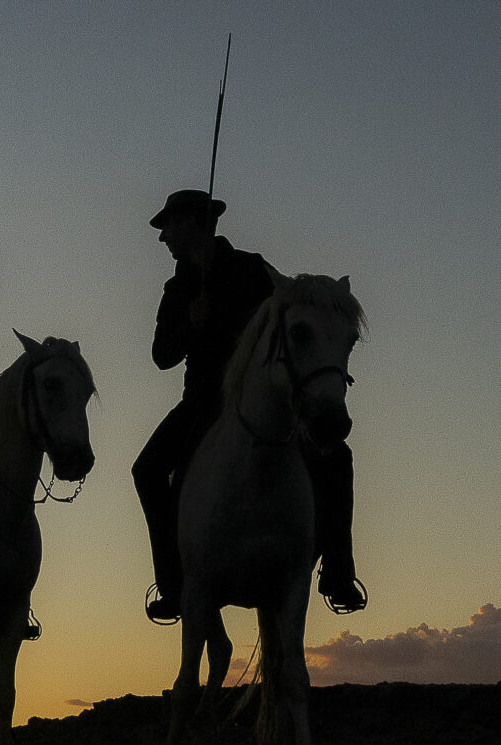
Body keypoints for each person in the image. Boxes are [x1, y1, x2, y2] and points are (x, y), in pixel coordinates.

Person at [133, 189, 366, 623]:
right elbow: (162, 355)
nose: (163, 237)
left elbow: (288, 311)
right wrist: (189, 323)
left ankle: (338, 572)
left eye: (169, 226)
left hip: (261, 398)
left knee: (337, 458)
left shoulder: (252, 269)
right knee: (146, 470)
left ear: (192, 225)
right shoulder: (178, 288)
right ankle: (172, 583)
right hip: (202, 400)